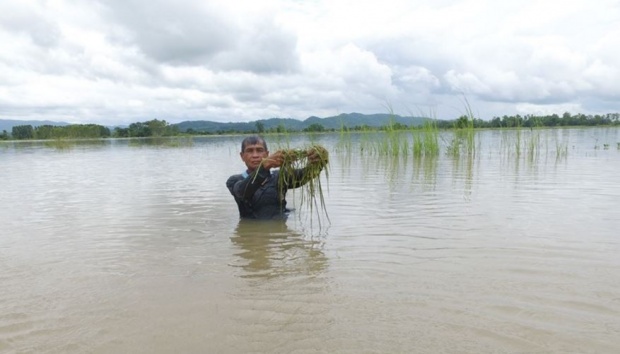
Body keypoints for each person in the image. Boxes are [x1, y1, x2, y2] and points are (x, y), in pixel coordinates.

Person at [226, 135, 328, 220]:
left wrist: (319, 162)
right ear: (242, 156)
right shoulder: (235, 181)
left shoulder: (280, 177)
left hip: (279, 237)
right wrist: (264, 167)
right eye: (250, 151)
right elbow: (242, 192)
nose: (255, 155)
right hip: (251, 232)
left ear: (267, 154)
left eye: (259, 150)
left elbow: (305, 175)